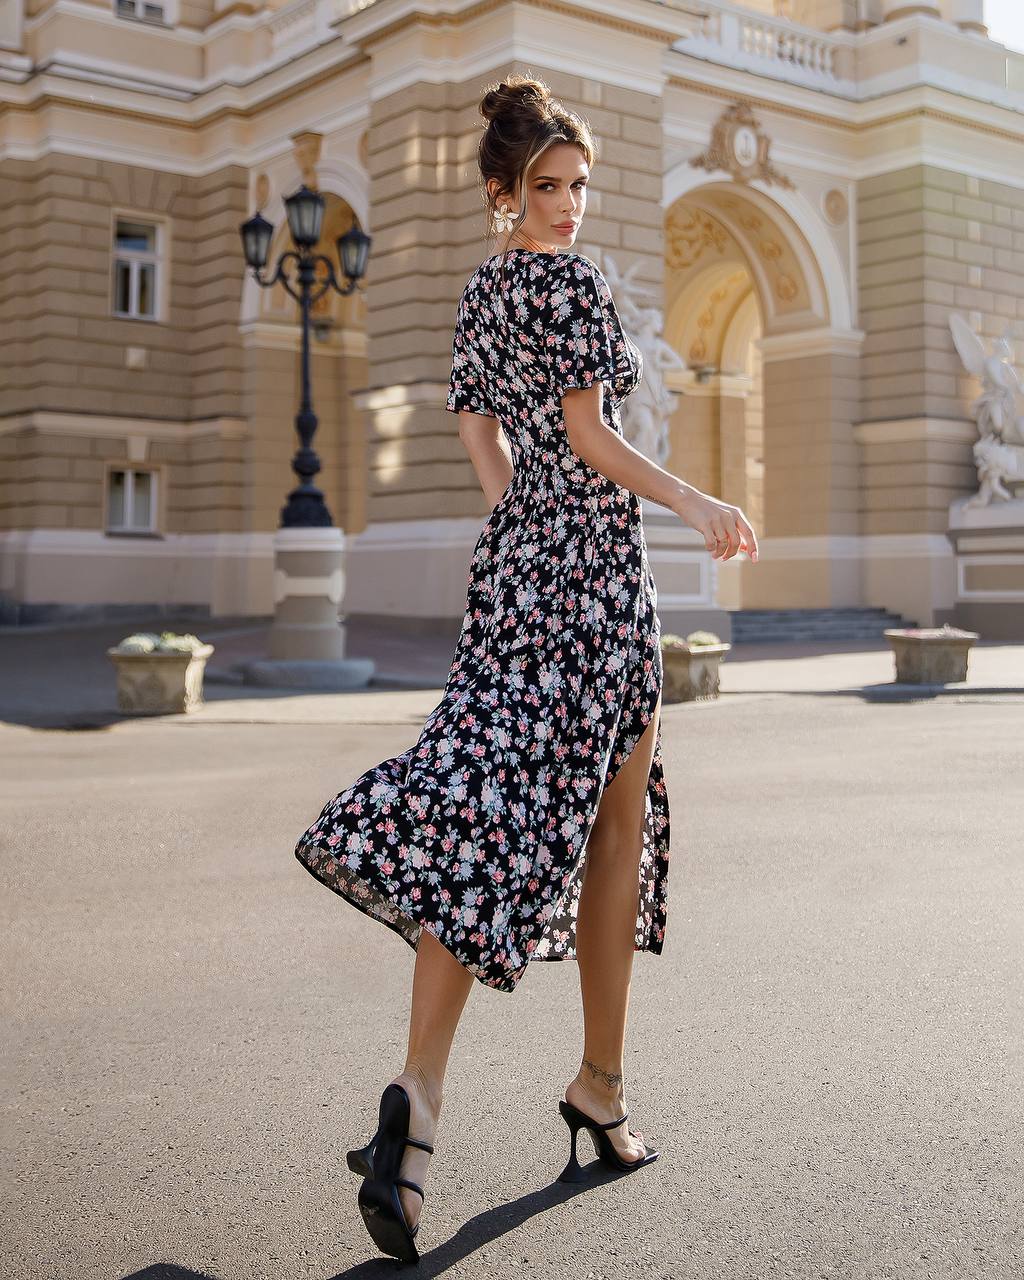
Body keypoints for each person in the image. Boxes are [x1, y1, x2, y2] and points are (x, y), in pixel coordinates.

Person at [293, 73, 758, 1265]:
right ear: (503, 189)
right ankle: (599, 1087)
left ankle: (419, 1098)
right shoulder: (575, 285)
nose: (568, 204)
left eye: (578, 186)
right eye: (546, 186)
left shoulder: (480, 291)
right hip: (598, 583)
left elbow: (479, 436)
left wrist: (525, 521)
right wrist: (694, 498)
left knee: (483, 803)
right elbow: (594, 436)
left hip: (515, 571)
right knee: (612, 827)